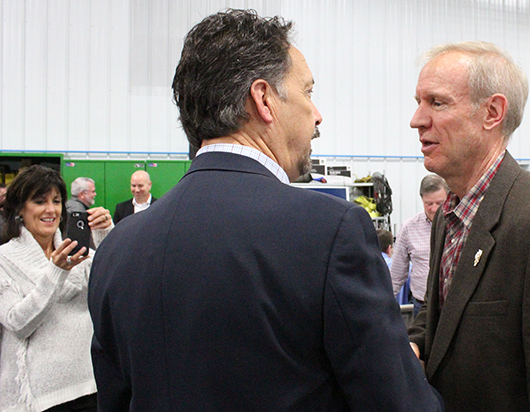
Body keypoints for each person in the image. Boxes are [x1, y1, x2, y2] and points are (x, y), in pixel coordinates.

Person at [88, 9, 443, 412]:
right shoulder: (328, 232)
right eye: (308, 92)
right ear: (263, 100)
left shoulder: (118, 249)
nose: (317, 114)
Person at [408, 40, 530, 411]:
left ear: (492, 112)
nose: (416, 119)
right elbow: (444, 316)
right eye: (417, 101)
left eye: (436, 102)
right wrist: (416, 342)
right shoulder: (450, 216)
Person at [0, 165, 112, 412]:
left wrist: (106, 235)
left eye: (56, 201)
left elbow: (114, 291)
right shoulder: (4, 260)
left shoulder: (80, 254)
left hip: (89, 388)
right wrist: (57, 271)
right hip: (39, 398)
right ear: (20, 209)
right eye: (39, 201)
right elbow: (18, 323)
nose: (50, 209)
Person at [390, 174, 448, 316]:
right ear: (422, 200)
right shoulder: (409, 228)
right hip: (422, 305)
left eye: (439, 203)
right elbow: (397, 274)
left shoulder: (459, 225)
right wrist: (385, 302)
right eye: (429, 204)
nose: (434, 209)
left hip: (451, 305)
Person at [66, 177, 114, 248]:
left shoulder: (69, 205)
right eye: (93, 191)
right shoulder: (78, 213)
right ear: (82, 194)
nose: (95, 194)